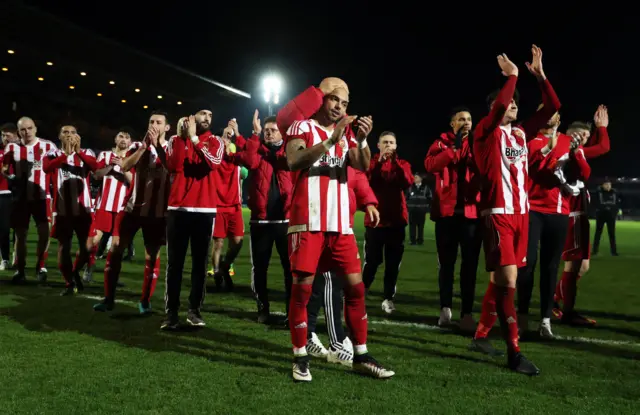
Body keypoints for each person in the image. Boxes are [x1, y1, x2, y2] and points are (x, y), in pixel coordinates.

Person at [282, 78, 394, 381]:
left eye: (344, 104)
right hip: (309, 222)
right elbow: (293, 160)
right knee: (303, 291)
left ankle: (361, 355)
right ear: (321, 99)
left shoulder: (345, 137)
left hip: (340, 226)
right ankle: (300, 356)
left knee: (356, 289)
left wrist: (360, 139)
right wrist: (331, 141)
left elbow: (360, 165)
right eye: (334, 100)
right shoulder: (301, 127)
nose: (339, 107)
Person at [469, 45, 560, 376]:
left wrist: (540, 76)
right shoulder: (484, 132)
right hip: (498, 213)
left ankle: (480, 334)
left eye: (516, 104)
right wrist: (512, 76)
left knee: (503, 278)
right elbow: (498, 108)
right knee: (508, 280)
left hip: (522, 214)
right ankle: (514, 352)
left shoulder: (522, 133)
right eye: (509, 103)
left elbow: (553, 106)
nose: (513, 107)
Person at [93, 112, 170, 313]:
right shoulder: (137, 146)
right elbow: (125, 165)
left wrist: (157, 146)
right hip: (131, 208)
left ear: (166, 127)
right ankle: (108, 298)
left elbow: (172, 168)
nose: (154, 125)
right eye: (151, 122)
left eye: (158, 122)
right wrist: (144, 147)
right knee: (116, 248)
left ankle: (145, 301)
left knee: (151, 256)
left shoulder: (171, 147)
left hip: (157, 213)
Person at [515, 106, 580, 339]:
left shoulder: (567, 140)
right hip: (532, 208)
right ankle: (521, 318)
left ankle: (545, 321)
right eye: (544, 112)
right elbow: (533, 170)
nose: (549, 117)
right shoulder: (528, 139)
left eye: (553, 113)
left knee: (551, 266)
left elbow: (579, 169)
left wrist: (578, 154)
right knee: (527, 264)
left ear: (559, 118)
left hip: (559, 210)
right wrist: (548, 150)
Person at [306, 166, 379, 367]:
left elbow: (357, 173)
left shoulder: (346, 144)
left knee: (327, 280)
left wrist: (369, 201)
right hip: (312, 220)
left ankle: (310, 334)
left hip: (338, 221)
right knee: (320, 280)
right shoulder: (311, 138)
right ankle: (335, 340)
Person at [161, 110, 224, 329]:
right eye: (202, 114)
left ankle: (194, 310)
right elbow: (173, 166)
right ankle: (171, 314)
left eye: (210, 115)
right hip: (178, 209)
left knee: (199, 264)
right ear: (191, 118)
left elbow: (213, 163)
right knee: (174, 264)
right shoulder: (175, 140)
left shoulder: (216, 141)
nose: (208, 117)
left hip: (204, 210)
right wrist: (184, 138)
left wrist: (195, 140)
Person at [424, 107, 482, 331]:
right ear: (452, 123)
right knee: (446, 266)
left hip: (471, 215)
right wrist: (452, 149)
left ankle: (467, 313)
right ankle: (445, 310)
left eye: (469, 119)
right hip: (446, 215)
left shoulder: (479, 143)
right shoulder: (440, 143)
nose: (466, 122)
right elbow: (430, 166)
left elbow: (486, 168)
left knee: (470, 266)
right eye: (461, 119)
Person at [236, 111, 293, 323]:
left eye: (272, 131)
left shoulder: (289, 151)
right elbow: (249, 161)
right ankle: (263, 309)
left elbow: (287, 163)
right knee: (260, 268)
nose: (268, 134)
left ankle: (291, 311)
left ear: (281, 133)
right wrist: (255, 132)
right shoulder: (256, 150)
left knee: (291, 269)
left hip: (286, 221)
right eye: (266, 131)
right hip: (260, 221)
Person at [554, 106, 610, 324]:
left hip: (577, 214)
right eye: (583, 136)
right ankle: (565, 309)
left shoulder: (574, 149)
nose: (586, 141)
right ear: (572, 135)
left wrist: (597, 130)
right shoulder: (569, 150)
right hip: (572, 215)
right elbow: (603, 146)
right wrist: (602, 128)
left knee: (582, 265)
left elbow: (598, 146)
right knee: (574, 264)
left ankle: (557, 299)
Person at [42, 125, 100, 295]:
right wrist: (66, 155)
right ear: (59, 136)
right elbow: (46, 168)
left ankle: (74, 272)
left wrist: (78, 151)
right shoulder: (52, 153)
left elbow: (95, 166)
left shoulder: (86, 152)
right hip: (62, 210)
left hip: (84, 209)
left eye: (73, 132)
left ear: (78, 136)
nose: (69, 135)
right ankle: (69, 282)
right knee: (63, 247)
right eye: (65, 132)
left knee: (87, 247)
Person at [362, 131, 413, 314]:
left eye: (392, 142)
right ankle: (362, 292)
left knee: (393, 264)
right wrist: (380, 163)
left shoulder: (403, 164)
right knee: (372, 261)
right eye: (385, 142)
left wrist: (395, 164)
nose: (388, 145)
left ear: (396, 146)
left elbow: (407, 182)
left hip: (396, 221)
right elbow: (366, 181)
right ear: (378, 145)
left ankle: (388, 298)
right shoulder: (371, 162)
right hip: (375, 222)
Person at [3, 117, 57, 283]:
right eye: (23, 130)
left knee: (44, 233)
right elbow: (4, 169)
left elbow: (57, 169)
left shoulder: (48, 146)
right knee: (21, 235)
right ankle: (20, 269)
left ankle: (40, 266)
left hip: (41, 197)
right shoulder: (12, 147)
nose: (27, 132)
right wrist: (13, 178)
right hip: (21, 197)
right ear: (18, 132)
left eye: (29, 128)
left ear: (35, 128)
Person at [82, 129, 133, 282]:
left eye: (127, 137)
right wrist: (111, 165)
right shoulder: (104, 155)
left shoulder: (132, 158)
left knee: (117, 245)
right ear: (115, 140)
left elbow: (133, 182)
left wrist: (123, 166)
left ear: (130, 142)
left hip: (122, 208)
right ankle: (88, 268)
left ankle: (111, 276)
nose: (124, 139)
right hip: (103, 204)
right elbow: (96, 175)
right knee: (94, 240)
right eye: (121, 136)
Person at [209, 117, 253, 292]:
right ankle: (218, 272)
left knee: (237, 241)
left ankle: (225, 267)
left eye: (230, 137)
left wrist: (238, 133)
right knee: (218, 243)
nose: (229, 140)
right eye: (225, 136)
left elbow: (248, 158)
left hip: (235, 205)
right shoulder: (214, 159)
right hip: (218, 205)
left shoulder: (236, 159)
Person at [0, 123, 19, 270]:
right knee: (4, 228)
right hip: (3, 194)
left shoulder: (23, 151)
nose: (4, 138)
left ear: (16, 135)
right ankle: (5, 258)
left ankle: (17, 257)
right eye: (2, 135)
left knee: (20, 229)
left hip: (21, 194)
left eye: (7, 135)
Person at [593, 178, 619, 256]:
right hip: (601, 215)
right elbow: (596, 203)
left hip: (611, 216)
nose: (608, 186)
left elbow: (617, 203)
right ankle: (595, 250)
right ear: (603, 185)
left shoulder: (614, 192)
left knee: (612, 234)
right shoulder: (599, 192)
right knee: (598, 233)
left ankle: (613, 251)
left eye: (609, 185)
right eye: (606, 184)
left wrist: (614, 212)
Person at [405, 173, 430, 245]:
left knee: (421, 226)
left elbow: (430, 198)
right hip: (412, 211)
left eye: (416, 177)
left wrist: (426, 207)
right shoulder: (410, 188)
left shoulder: (426, 188)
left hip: (421, 211)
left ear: (420, 179)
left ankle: (420, 240)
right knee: (412, 226)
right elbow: (406, 198)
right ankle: (412, 241)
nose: (414, 179)